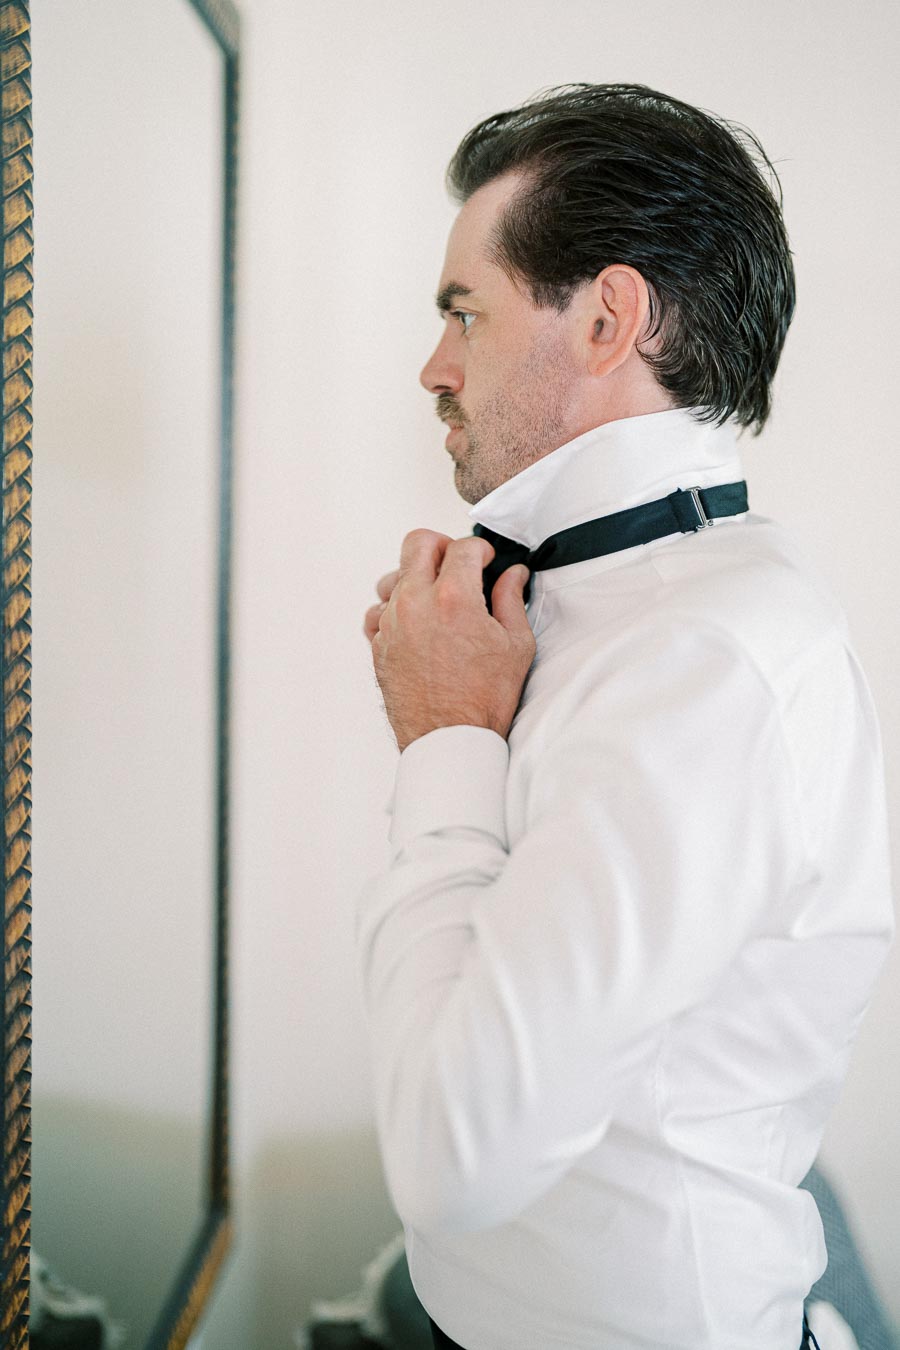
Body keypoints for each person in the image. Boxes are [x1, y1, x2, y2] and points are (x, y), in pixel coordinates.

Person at [357, 84, 894, 1350]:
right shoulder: (622, 606)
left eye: (464, 313)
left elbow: (454, 1159)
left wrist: (446, 741)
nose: (434, 368)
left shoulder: (708, 659)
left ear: (608, 318)